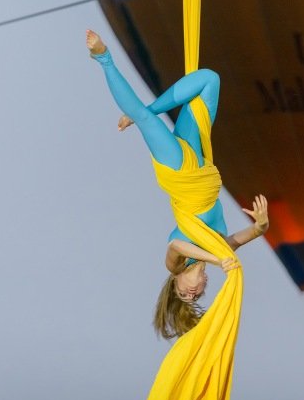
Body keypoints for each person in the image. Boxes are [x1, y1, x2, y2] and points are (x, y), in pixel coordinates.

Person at [86, 29, 269, 338]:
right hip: (202, 163)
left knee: (144, 119)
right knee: (209, 79)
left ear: (174, 283)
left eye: (183, 294)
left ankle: (102, 57)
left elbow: (176, 245)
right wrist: (260, 229)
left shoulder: (177, 262)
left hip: (182, 174)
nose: (192, 294)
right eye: (195, 298)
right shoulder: (217, 248)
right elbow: (236, 240)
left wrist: (219, 260)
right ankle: (144, 111)